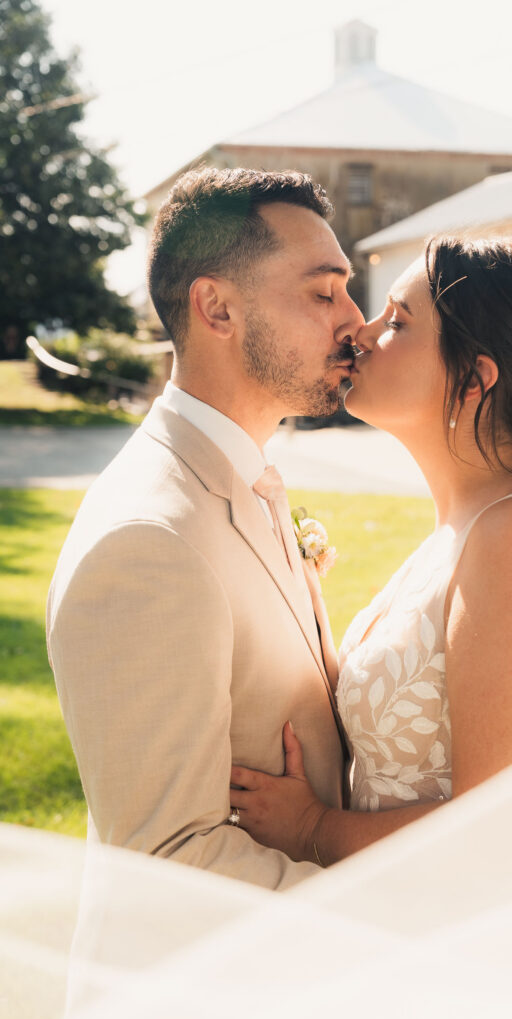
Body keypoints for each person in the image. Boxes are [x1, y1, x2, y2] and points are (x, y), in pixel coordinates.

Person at [229, 234, 512, 866]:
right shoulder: (467, 526)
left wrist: (314, 830)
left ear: (473, 380)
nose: (360, 332)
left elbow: (501, 831)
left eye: (397, 322)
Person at [46, 167, 363, 889]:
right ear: (216, 308)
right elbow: (168, 862)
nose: (354, 320)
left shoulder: (243, 479)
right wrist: (384, 928)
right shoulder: (148, 541)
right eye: (323, 293)